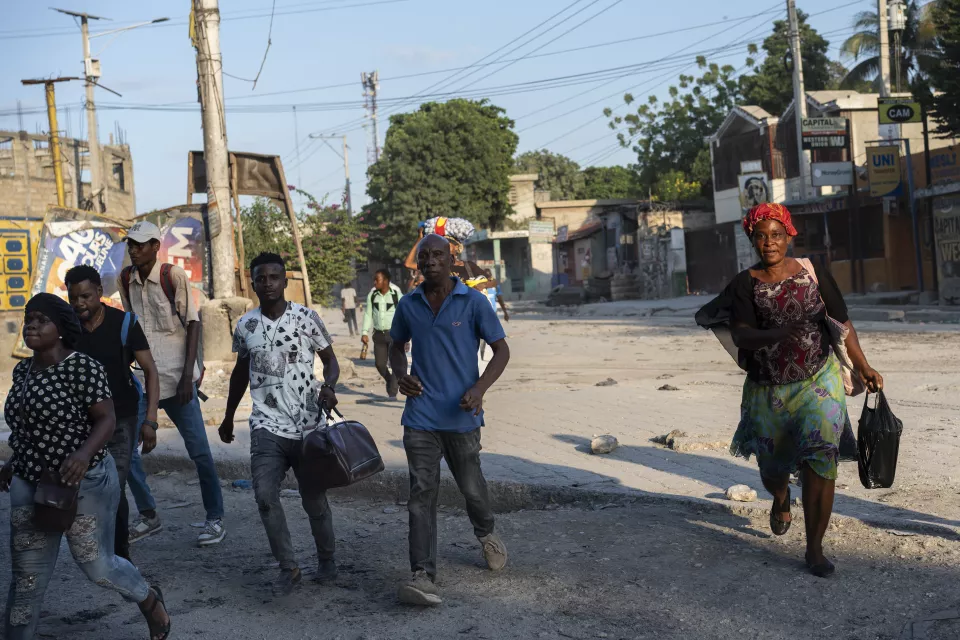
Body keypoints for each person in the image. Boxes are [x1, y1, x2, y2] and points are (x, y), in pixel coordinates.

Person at [697, 203, 883, 578]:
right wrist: (775, 335)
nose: (770, 243)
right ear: (752, 239)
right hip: (769, 390)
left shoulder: (812, 272)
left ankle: (814, 548)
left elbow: (842, 322)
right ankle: (781, 498)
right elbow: (741, 334)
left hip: (819, 381)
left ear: (789, 236)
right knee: (773, 469)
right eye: (762, 236)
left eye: (777, 235)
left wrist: (862, 364)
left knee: (821, 461)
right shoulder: (744, 283)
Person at [1, 293, 171, 640]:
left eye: (41, 319)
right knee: (26, 578)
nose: (31, 324)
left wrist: (82, 455)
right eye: (28, 318)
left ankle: (150, 601)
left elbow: (106, 419)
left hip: (85, 481)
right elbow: (25, 424)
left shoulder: (83, 367)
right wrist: (12, 461)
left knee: (97, 566)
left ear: (61, 329)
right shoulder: (23, 370)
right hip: (30, 481)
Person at [389, 233, 511, 606]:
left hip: (461, 416)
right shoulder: (408, 305)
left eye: (437, 255)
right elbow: (395, 346)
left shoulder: (472, 302)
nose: (430, 261)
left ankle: (487, 532)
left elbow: (501, 351)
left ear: (451, 258)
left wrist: (480, 388)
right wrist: (400, 374)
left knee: (472, 489)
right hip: (421, 417)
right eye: (423, 256)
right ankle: (423, 574)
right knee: (421, 495)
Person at [219, 253, 342, 596]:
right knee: (264, 496)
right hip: (266, 426)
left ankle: (327, 561)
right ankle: (288, 567)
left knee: (314, 500)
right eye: (261, 278)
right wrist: (229, 416)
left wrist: (329, 387)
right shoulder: (246, 325)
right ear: (253, 283)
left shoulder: (307, 318)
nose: (268, 283)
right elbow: (241, 372)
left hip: (307, 425)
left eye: (275, 277)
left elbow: (331, 363)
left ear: (285, 281)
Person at [118, 220, 226, 547]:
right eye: (130, 245)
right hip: (143, 380)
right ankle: (149, 514)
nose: (134, 250)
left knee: (200, 454)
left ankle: (215, 517)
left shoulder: (172, 276)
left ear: (155, 246)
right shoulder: (124, 280)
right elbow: (131, 328)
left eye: (140, 244)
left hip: (178, 381)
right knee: (126, 452)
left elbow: (192, 324)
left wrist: (186, 377)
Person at [65, 265, 161, 562]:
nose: (80, 304)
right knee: (89, 484)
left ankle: (120, 553)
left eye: (86, 297)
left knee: (114, 485)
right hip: (84, 422)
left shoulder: (124, 323)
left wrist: (151, 421)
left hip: (123, 418)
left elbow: (150, 370)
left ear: (99, 293)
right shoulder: (68, 330)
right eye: (74, 298)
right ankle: (100, 545)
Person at [361, 269, 403, 399]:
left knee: (395, 362)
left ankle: (392, 392)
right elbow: (368, 314)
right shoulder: (372, 295)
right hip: (378, 334)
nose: (374, 282)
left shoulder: (396, 293)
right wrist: (364, 332)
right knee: (379, 364)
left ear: (385, 281)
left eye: (377, 280)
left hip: (394, 334)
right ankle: (390, 380)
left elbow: (403, 314)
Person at [479, 269, 509, 362]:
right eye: (486, 276)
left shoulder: (495, 286)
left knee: (493, 336)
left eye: (489, 276)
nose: (488, 279)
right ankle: (480, 356)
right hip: (481, 314)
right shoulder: (479, 286)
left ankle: (492, 356)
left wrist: (505, 312)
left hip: (492, 314)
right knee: (481, 336)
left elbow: (500, 299)